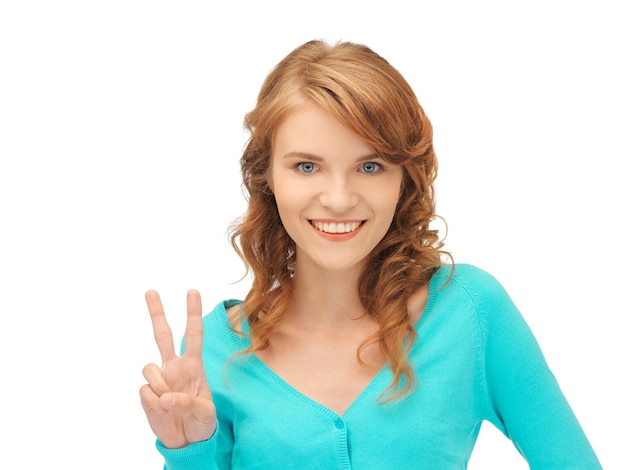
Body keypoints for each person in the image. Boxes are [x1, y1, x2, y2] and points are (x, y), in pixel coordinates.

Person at [140, 39, 602, 469]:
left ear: (405, 179)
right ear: (267, 178)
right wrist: (187, 451)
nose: (339, 199)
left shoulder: (471, 311)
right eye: (306, 166)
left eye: (370, 166)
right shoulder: (218, 346)